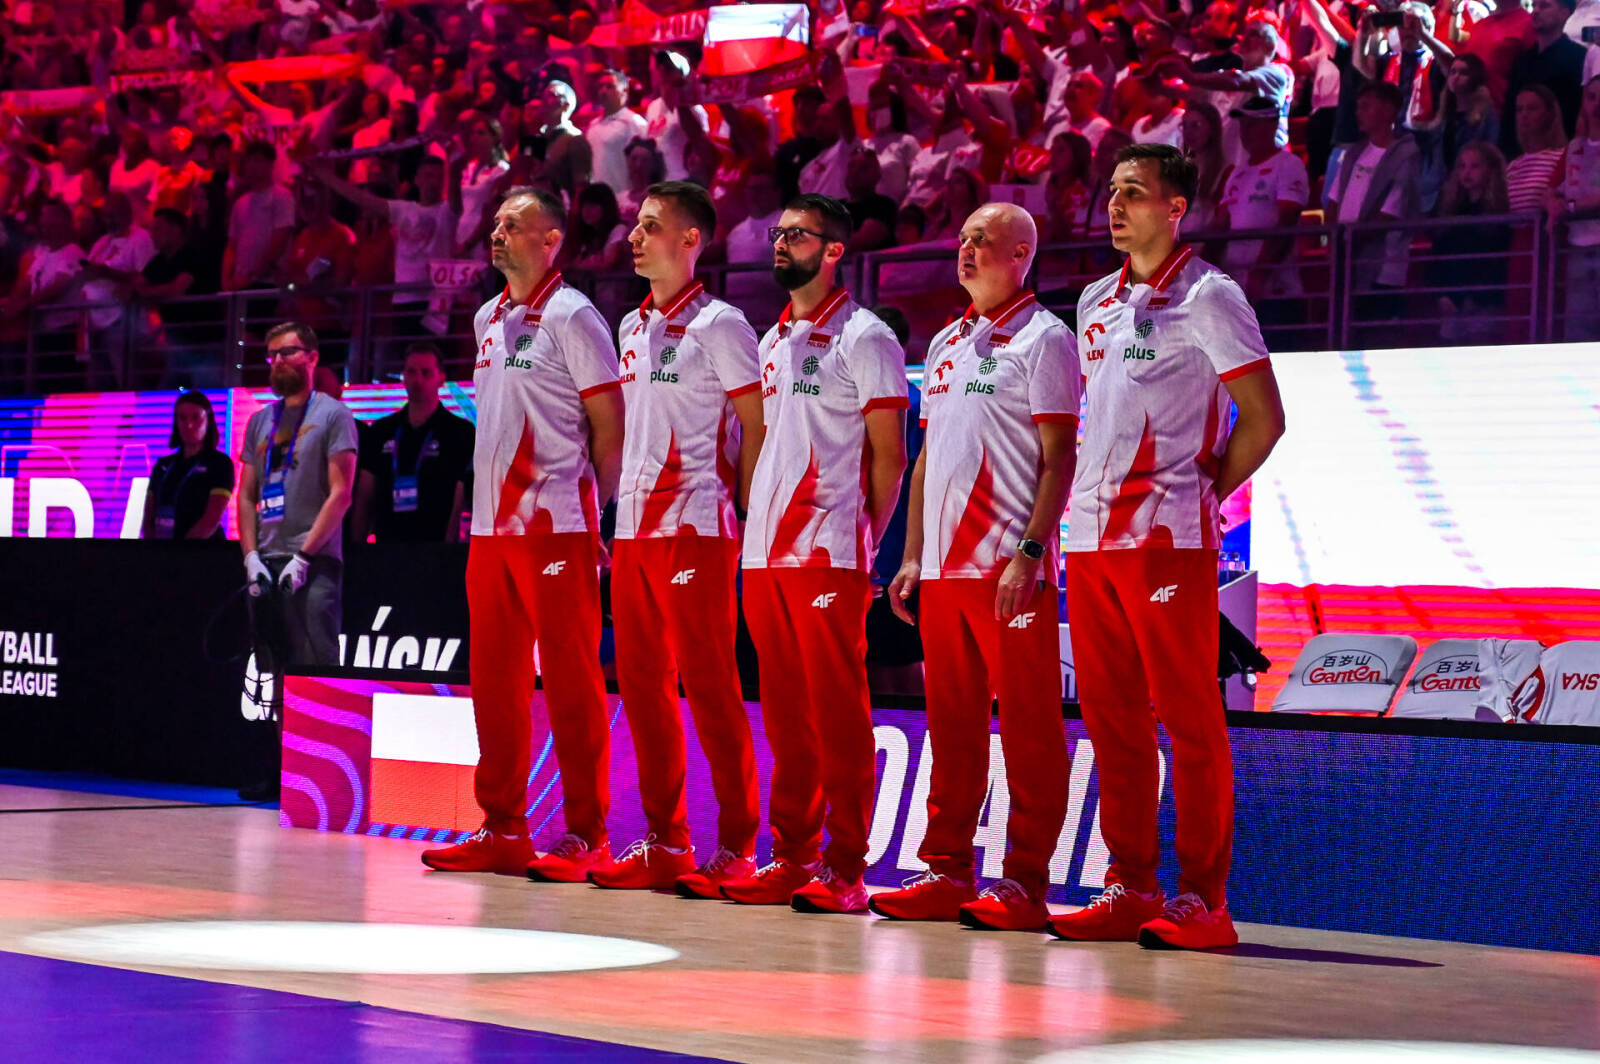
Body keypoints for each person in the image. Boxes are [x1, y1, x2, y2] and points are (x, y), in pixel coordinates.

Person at [1050, 143, 1284, 951]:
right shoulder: (1094, 300)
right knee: (1112, 720)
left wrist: (1207, 487)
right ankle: (1130, 886)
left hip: (1167, 538)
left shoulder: (1210, 295)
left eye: (1135, 193)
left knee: (1188, 719)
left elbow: (1265, 417)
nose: (1115, 206)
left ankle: (1205, 900)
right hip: (1091, 539)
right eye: (1113, 191)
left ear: (1176, 207)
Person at [874, 202, 1078, 930]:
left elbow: (1060, 458)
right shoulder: (947, 340)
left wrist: (1031, 550)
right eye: (962, 238)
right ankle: (945, 870)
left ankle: (1024, 882)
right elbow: (928, 458)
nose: (965, 249)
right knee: (952, 726)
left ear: (1021, 253)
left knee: (1028, 729)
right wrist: (912, 555)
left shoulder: (1046, 339)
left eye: (982, 240)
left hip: (1007, 572)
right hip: (942, 573)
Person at [419, 187, 624, 880]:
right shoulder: (487, 316)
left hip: (556, 525)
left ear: (550, 240)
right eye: (496, 222)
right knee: (495, 682)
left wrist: (599, 514)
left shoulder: (575, 315)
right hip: (490, 531)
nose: (496, 232)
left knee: (570, 680)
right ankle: (503, 826)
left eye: (513, 224)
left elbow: (610, 426)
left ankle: (588, 833)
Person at [719, 194, 908, 914]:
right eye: (778, 231)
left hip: (828, 552)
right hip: (764, 554)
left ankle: (846, 867)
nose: (780, 243)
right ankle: (793, 854)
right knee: (786, 717)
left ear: (833, 251)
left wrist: (863, 540)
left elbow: (890, 457)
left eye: (796, 234)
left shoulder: (865, 337)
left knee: (837, 715)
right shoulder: (772, 340)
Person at [594, 180, 764, 897]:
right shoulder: (630, 327)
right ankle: (667, 840)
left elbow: (758, 425)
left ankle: (739, 845)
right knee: (642, 689)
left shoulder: (722, 325)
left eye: (650, 225)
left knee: (712, 686)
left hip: (697, 529)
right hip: (634, 533)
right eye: (635, 224)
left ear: (691, 240)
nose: (634, 236)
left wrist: (749, 514)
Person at [236, 321, 360, 796]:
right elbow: (247, 496)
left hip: (313, 564)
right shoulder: (259, 421)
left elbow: (341, 493)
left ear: (311, 356)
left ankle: (325, 784)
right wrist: (251, 556)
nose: (278, 362)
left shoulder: (333, 416)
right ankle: (284, 774)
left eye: (287, 352)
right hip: (267, 563)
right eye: (271, 355)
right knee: (273, 671)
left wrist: (305, 555)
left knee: (315, 669)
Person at [351, 342, 474, 542]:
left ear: (441, 378)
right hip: (386, 546)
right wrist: (358, 547)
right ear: (403, 377)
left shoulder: (460, 432)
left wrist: (450, 548)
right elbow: (364, 495)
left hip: (437, 547)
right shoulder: (382, 430)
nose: (418, 380)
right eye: (411, 372)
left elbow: (461, 500)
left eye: (426, 373)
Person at [142, 390, 234, 540]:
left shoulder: (220, 464)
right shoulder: (163, 465)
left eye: (196, 417)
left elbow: (211, 520)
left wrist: (183, 550)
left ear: (208, 421)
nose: (189, 425)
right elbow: (148, 518)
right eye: (182, 418)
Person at [1501, 0, 1586, 151]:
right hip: (1521, 152)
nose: (1535, 11)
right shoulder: (1523, 60)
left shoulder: (1579, 58)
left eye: (1544, 6)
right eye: (1534, 6)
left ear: (1564, 13)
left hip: (1562, 151)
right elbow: (1510, 112)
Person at [1505, 85, 1569, 209]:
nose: (1524, 114)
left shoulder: (1563, 157)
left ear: (1549, 114)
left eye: (1532, 108)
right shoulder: (1512, 166)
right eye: (1519, 109)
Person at [586, 69, 648, 196]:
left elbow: (645, 165)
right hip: (598, 199)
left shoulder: (633, 122)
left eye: (610, 86)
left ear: (624, 90)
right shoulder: (592, 126)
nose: (603, 91)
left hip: (624, 197)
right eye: (600, 86)